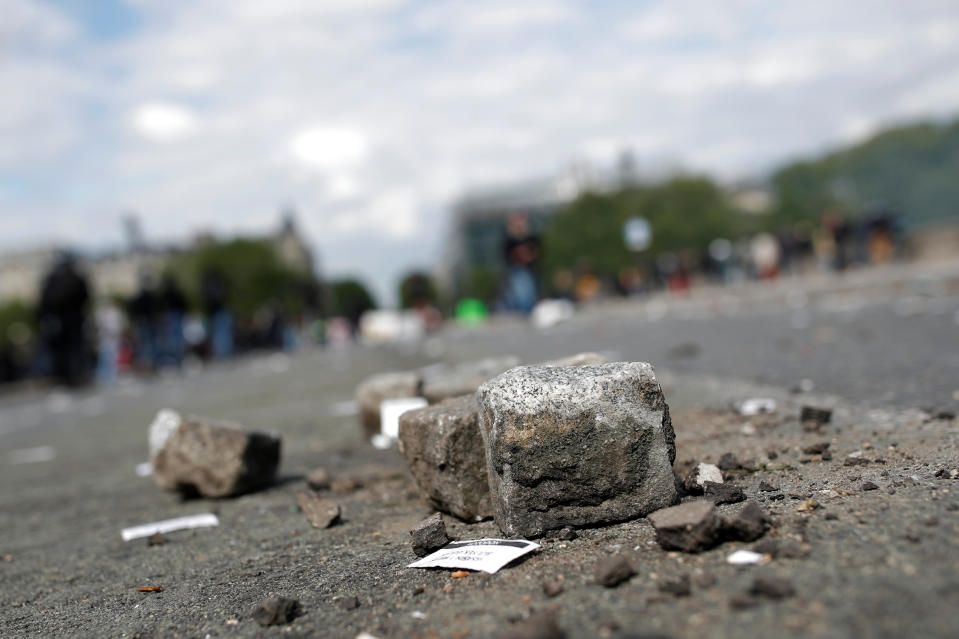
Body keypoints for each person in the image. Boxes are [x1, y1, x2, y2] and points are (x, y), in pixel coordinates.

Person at [37, 252, 91, 386]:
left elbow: (44, 302)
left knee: (63, 352)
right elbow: (85, 297)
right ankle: (73, 377)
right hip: (70, 321)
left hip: (61, 322)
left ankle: (66, 378)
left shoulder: (52, 279)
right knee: (72, 350)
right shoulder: (74, 278)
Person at [500, 211, 540, 314]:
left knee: (529, 292)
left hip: (530, 270)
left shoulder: (531, 238)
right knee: (519, 292)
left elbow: (536, 252)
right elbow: (506, 256)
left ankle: (527, 311)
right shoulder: (509, 240)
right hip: (516, 270)